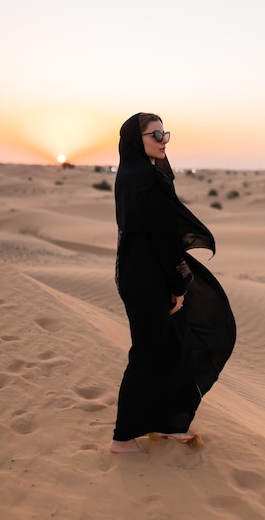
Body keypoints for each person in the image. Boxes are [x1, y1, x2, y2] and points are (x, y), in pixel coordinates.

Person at [109, 112, 236, 453]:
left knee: (175, 347)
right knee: (149, 353)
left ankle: (168, 423)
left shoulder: (136, 174)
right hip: (148, 278)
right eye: (156, 134)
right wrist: (179, 286)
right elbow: (162, 240)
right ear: (138, 140)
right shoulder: (144, 179)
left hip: (143, 272)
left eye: (166, 134)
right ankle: (123, 437)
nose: (164, 140)